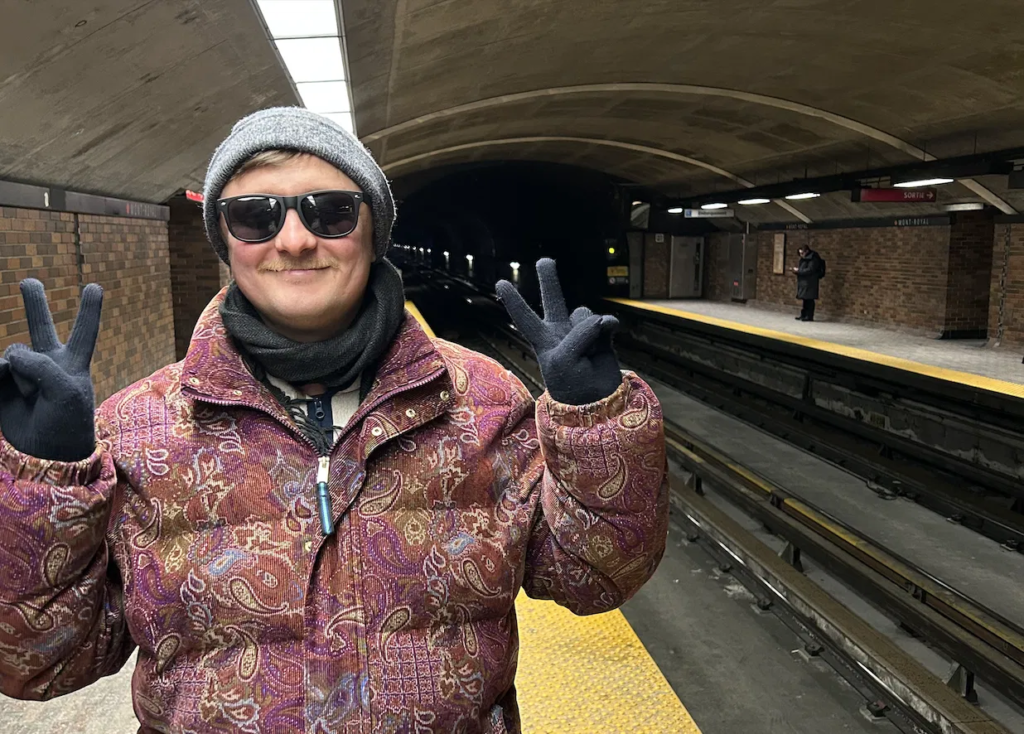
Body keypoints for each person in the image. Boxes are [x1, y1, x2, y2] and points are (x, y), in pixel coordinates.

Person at [0, 107, 668, 734]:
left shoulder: (481, 400)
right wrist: (43, 483)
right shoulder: (137, 427)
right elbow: (41, 659)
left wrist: (596, 423)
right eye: (255, 217)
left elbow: (593, 575)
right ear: (225, 242)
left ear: (374, 231)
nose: (294, 240)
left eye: (330, 212)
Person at [791, 245, 825, 321]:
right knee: (805, 299)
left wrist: (798, 271)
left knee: (809, 299)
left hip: (810, 282)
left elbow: (810, 270)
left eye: (802, 253)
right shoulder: (804, 259)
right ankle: (803, 315)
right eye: (800, 253)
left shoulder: (813, 259)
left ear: (807, 251)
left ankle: (809, 316)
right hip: (805, 281)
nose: (801, 255)